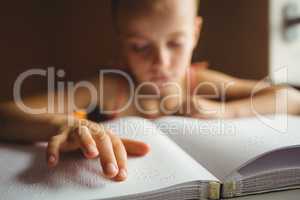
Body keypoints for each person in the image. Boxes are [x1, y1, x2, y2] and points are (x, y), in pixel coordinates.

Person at [1, 0, 300, 182]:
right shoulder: (110, 88)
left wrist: (226, 110)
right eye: (141, 47)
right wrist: (66, 123)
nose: (162, 62)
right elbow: (6, 115)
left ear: (194, 33)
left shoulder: (196, 80)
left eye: (175, 43)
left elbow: (291, 98)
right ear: (122, 44)